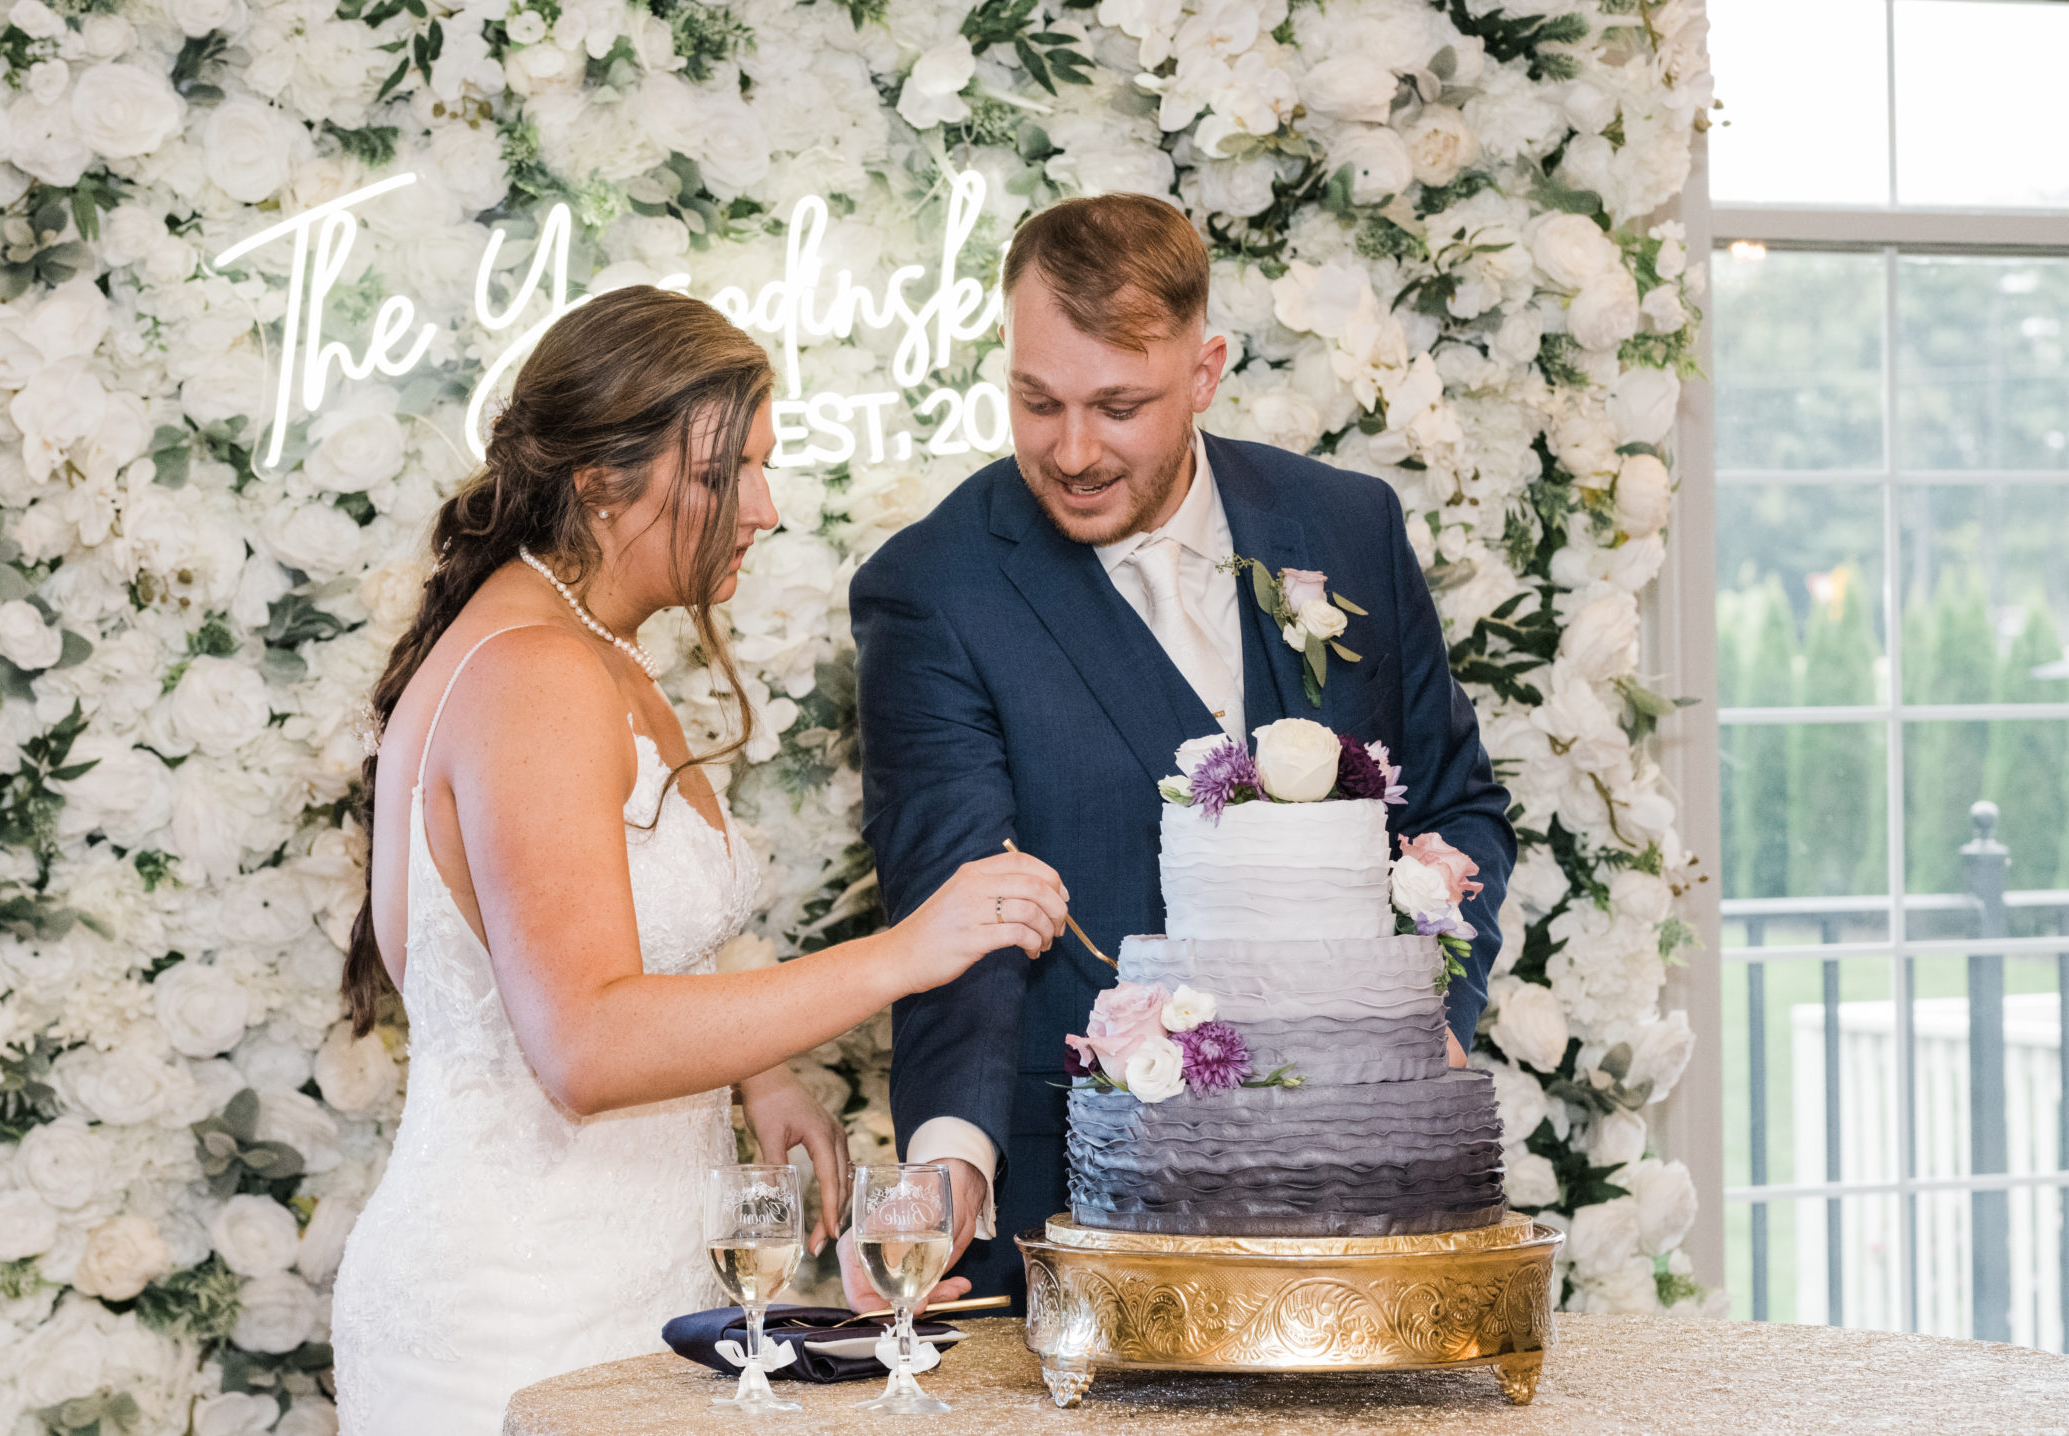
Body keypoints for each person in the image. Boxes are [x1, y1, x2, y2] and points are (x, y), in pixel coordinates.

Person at [328, 285, 1069, 1435]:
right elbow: (582, 1043)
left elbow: (610, 922)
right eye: (728, 476)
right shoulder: (537, 671)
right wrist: (905, 951)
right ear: (598, 481)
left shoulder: (590, 644)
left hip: (635, 1285)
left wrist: (759, 1075)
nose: (764, 509)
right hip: (518, 1311)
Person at [843, 193, 1515, 1309]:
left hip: (1359, 1196)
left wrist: (1422, 1026)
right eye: (1036, 400)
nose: (1071, 450)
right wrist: (948, 1162)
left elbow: (1457, 806)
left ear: (1203, 373)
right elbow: (957, 904)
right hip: (1087, 1213)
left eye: (1118, 406)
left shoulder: (1344, 525)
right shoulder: (933, 588)